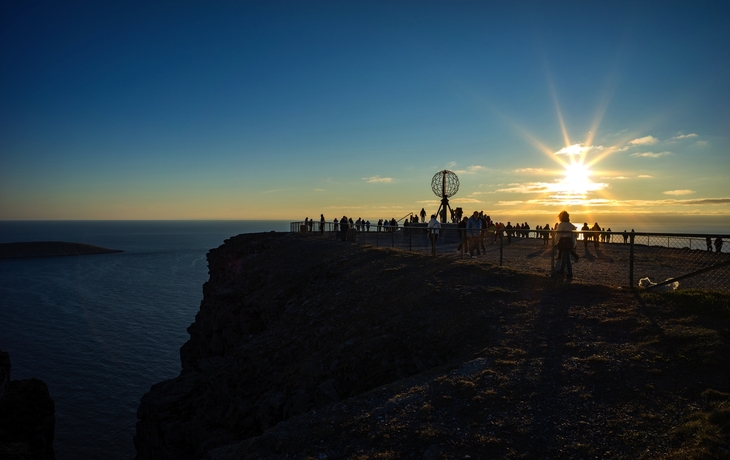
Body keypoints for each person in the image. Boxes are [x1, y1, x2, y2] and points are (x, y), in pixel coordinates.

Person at [555, 210, 577, 279]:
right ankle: (562, 269)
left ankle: (570, 273)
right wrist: (574, 243)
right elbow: (574, 234)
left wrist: (554, 242)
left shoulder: (561, 225)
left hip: (563, 242)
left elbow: (558, 235)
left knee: (567, 258)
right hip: (569, 241)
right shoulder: (570, 225)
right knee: (564, 256)